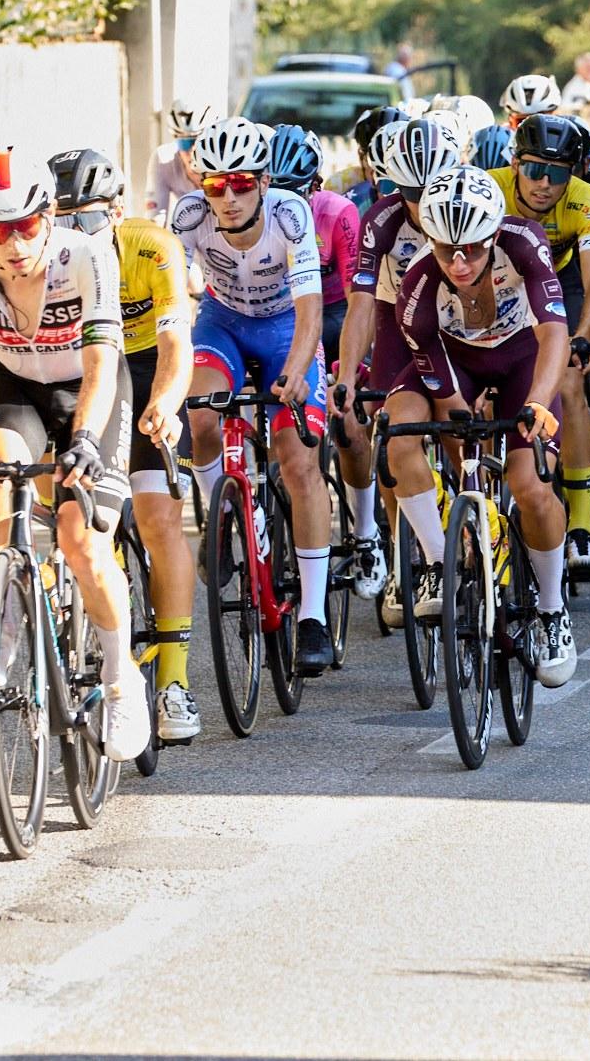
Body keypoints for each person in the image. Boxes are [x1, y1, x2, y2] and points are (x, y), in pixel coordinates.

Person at [0, 147, 149, 761]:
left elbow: (99, 364)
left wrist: (87, 440)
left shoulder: (90, 256)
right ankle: (5, 624)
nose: (14, 243)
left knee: (80, 537)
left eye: (27, 225)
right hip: (14, 386)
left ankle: (125, 683)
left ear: (48, 215)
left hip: (91, 388)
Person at [380, 167, 577, 684]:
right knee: (398, 434)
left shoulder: (524, 244)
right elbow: (448, 404)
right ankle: (438, 562)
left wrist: (536, 403)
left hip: (521, 361)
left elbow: (556, 333)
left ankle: (553, 609)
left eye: (470, 248)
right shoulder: (418, 291)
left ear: (491, 237)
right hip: (454, 362)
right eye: (447, 250)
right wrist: (467, 475)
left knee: (530, 486)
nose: (459, 262)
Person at [171, 119, 337, 672]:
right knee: (199, 413)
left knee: (298, 462)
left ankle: (311, 616)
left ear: (263, 181)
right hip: (224, 322)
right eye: (217, 185)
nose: (230, 197)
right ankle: (219, 521)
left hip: (287, 326)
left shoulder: (291, 215)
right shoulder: (189, 218)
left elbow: (311, 311)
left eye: (241, 183)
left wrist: (294, 374)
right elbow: (172, 307)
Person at [48, 148, 201, 744]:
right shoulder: (49, 259)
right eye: (60, 222)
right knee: (70, 515)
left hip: (146, 366)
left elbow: (175, 343)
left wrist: (164, 402)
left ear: (115, 212)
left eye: (85, 220)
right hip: (84, 370)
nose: (72, 234)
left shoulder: (151, 247)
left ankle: (174, 681)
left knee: (161, 518)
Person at [331, 120, 462, 621]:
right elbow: (360, 303)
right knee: (392, 432)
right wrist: (346, 377)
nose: (424, 201)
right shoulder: (382, 220)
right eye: (411, 192)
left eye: (433, 189)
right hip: (396, 319)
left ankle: (474, 506)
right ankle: (408, 552)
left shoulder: (476, 203)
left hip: (459, 322)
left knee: (462, 428)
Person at [490, 114, 590, 578]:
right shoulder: (490, 187)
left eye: (558, 174)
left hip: (561, 279)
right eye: (534, 169)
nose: (544, 183)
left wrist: (582, 337)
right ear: (515, 163)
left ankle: (580, 526)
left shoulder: (585, 199)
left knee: (570, 381)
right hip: (502, 283)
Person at [269, 126, 359, 366]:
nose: (282, 206)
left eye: (293, 195)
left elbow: (357, 297)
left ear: (315, 186)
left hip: (331, 310)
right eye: (271, 194)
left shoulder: (338, 212)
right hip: (277, 312)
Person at [148, 98, 220, 219]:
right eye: (184, 143)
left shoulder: (224, 162)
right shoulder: (163, 160)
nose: (192, 150)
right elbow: (155, 217)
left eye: (199, 142)